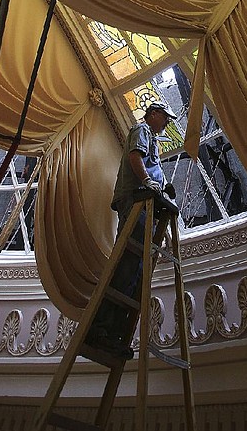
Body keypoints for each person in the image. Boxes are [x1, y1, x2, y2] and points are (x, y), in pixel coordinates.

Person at [81, 102, 175, 360]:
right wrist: (147, 182)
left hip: (145, 203)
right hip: (136, 200)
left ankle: (114, 333)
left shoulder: (154, 140)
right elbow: (135, 156)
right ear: (154, 114)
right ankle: (100, 330)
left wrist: (161, 189)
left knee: (136, 270)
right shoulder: (142, 130)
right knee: (127, 265)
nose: (167, 122)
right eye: (166, 117)